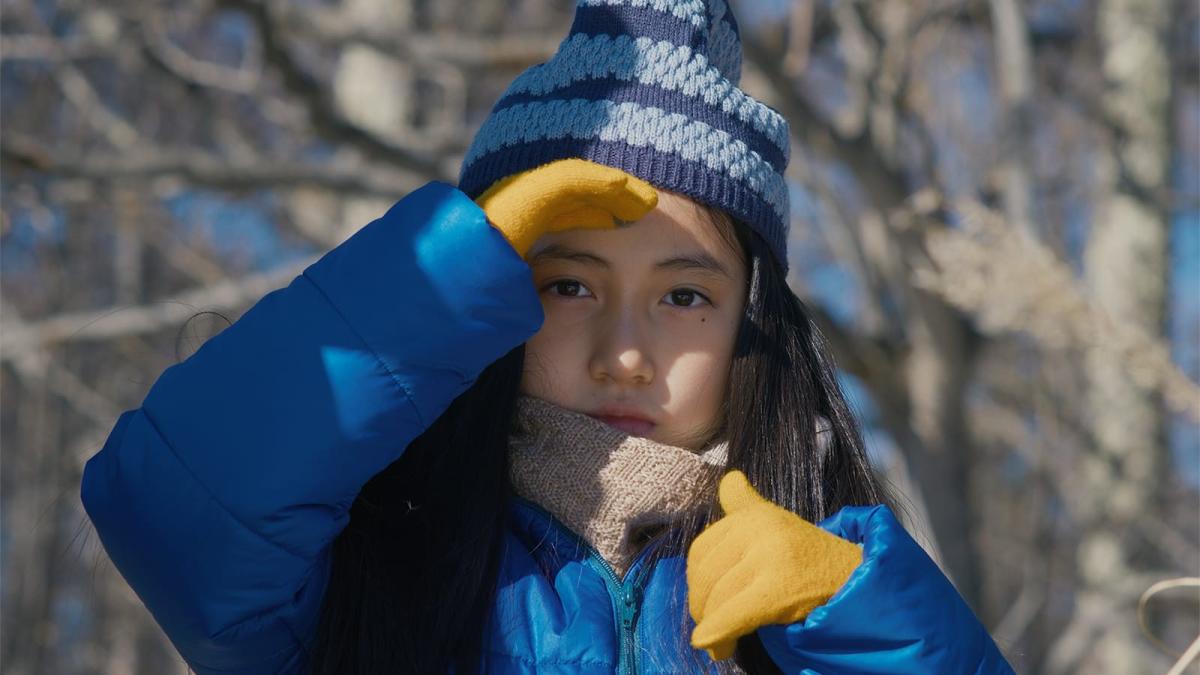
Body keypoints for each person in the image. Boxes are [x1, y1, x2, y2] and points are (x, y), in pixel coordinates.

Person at [81, 1, 1016, 673]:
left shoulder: (816, 603)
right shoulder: (369, 565)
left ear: (753, 326)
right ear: (490, 302)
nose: (624, 350)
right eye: (566, 283)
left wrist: (864, 628)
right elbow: (169, 509)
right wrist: (441, 269)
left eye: (685, 296)